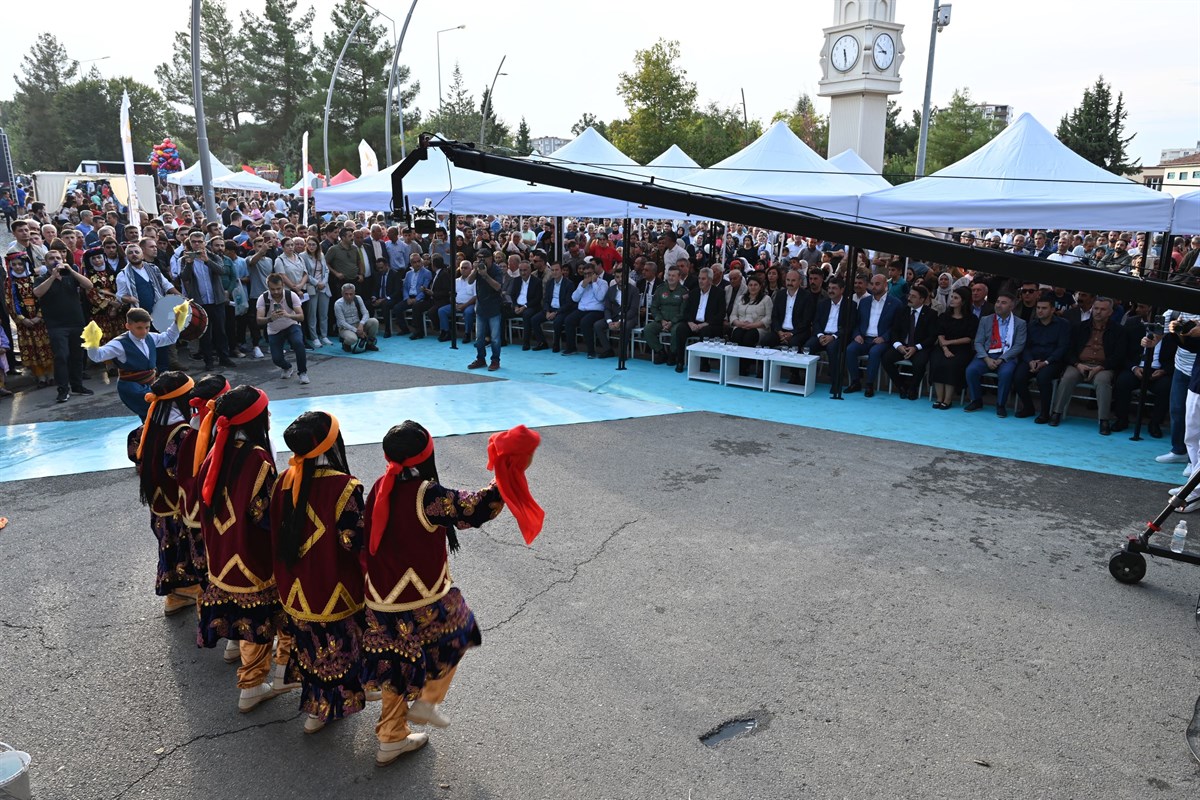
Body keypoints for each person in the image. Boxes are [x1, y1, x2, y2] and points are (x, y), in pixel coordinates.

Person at [360, 421, 534, 766]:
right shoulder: (427, 494)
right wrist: (505, 473)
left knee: (395, 663)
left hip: (379, 596)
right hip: (419, 596)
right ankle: (428, 700)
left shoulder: (382, 485)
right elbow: (474, 508)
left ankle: (390, 737)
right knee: (462, 629)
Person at [195, 385, 294, 713]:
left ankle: (233, 648)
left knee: (235, 607)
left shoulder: (215, 450)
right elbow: (265, 515)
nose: (269, 417)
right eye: (266, 412)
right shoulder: (258, 460)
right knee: (261, 617)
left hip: (222, 554)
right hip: (250, 555)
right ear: (255, 420)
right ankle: (252, 684)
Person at [271, 411, 367, 735]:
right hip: (334, 586)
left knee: (310, 649)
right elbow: (352, 540)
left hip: (296, 588)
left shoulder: (284, 480)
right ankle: (329, 709)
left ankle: (315, 708)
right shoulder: (345, 486)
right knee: (339, 650)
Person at [134, 371, 206, 615]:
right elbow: (181, 469)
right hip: (178, 503)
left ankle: (174, 595)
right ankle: (191, 590)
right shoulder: (181, 431)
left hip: (158, 501)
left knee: (167, 544)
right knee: (184, 546)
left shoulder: (149, 425)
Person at [1049, 296, 1127, 433]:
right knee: (1067, 378)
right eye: (1096, 308)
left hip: (1103, 366)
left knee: (1103, 381)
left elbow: (1119, 355)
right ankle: (1056, 413)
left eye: (1102, 309)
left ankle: (1103, 420)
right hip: (1079, 364)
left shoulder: (1118, 331)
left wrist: (1101, 367)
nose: (1098, 312)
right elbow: (1069, 350)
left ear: (1110, 312)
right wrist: (1077, 364)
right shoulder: (1080, 327)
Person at [33, 248, 96, 403]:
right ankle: (63, 389)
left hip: (76, 321)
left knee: (77, 355)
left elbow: (89, 285)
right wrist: (53, 277)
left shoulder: (70, 275)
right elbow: (37, 293)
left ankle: (77, 385)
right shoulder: (42, 278)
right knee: (61, 356)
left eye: (58, 257)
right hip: (56, 325)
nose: (55, 260)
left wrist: (71, 271)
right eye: (51, 258)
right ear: (45, 262)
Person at [6, 226, 55, 387]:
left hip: (39, 320)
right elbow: (10, 303)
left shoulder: (35, 280)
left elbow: (43, 299)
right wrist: (21, 319)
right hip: (25, 324)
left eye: (20, 264)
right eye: (15, 265)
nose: (18, 267)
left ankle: (51, 374)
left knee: (46, 347)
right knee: (32, 349)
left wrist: (38, 316)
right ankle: (40, 376)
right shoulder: (10, 284)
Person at [964, 291, 1027, 416]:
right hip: (986, 355)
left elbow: (1019, 345)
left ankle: (1000, 404)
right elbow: (978, 342)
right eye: (997, 302)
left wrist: (1002, 359)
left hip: (1007, 356)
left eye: (1003, 303)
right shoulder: (986, 320)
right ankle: (976, 400)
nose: (998, 305)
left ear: (1011, 306)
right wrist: (986, 359)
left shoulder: (1020, 323)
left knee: (1006, 373)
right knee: (971, 370)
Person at [1012, 294, 1071, 422]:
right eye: (1038, 307)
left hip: (1053, 361)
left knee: (1043, 378)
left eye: (1044, 308)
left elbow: (1062, 348)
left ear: (1052, 310)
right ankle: (1028, 408)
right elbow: (1025, 346)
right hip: (1033, 359)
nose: (1040, 310)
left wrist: (1046, 362)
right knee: (1018, 377)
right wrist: (1030, 361)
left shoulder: (1063, 325)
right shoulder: (1031, 325)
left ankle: (1045, 413)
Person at [845, 274, 902, 396]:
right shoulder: (864, 302)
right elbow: (857, 322)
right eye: (872, 284)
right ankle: (855, 382)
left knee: (875, 352)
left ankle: (869, 385)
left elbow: (895, 327)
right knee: (850, 349)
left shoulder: (895, 303)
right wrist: (857, 334)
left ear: (885, 285)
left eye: (877, 284)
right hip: (864, 338)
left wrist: (884, 337)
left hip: (882, 339)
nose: (874, 287)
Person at [1112, 327, 1175, 436]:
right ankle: (1121, 419)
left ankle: (1155, 424)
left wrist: (1164, 371)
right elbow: (1123, 353)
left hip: (1159, 370)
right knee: (1122, 382)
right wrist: (1134, 368)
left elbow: (1176, 359)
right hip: (1137, 367)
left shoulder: (1172, 333)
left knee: (1166, 387)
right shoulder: (1133, 327)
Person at [881, 285, 939, 400]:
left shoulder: (931, 314)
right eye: (909, 295)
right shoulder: (903, 310)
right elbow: (894, 331)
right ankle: (901, 386)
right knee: (886, 358)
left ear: (922, 300)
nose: (909, 298)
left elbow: (932, 337)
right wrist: (898, 345)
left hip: (919, 347)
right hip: (903, 345)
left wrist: (916, 348)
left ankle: (913, 388)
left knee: (920, 363)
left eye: (913, 296)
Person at [928, 287, 979, 409]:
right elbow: (940, 334)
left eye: (956, 298)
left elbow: (969, 338)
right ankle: (939, 398)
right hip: (943, 347)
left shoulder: (972, 319)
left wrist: (950, 342)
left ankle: (948, 399)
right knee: (937, 362)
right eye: (952, 297)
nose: (952, 300)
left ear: (964, 301)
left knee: (951, 365)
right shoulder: (944, 316)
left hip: (962, 348)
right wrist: (945, 348)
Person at [257, 274, 309, 384]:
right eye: (272, 289)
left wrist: (288, 315)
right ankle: (287, 367)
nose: (276, 292)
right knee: (276, 359)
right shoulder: (263, 298)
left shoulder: (291, 295)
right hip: (274, 330)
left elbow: (301, 316)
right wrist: (270, 318)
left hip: (291, 325)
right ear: (268, 287)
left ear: (283, 285)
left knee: (298, 343)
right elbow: (259, 320)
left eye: (278, 289)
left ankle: (302, 372)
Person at [804, 276, 851, 395]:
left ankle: (836, 383)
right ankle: (806, 380)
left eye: (834, 288)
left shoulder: (850, 305)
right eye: (829, 288)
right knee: (808, 346)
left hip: (838, 337)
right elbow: (816, 322)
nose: (830, 291)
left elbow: (849, 326)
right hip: (822, 335)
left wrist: (833, 336)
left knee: (832, 348)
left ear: (842, 290)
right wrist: (820, 335)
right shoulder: (823, 303)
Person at [672, 267, 726, 372]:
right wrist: (690, 322)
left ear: (710, 280)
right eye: (699, 278)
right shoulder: (694, 293)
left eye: (703, 279)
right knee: (680, 329)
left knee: (706, 331)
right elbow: (686, 311)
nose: (700, 281)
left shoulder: (719, 293)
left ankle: (704, 363)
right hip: (694, 322)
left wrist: (705, 324)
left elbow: (721, 314)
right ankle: (680, 361)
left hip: (709, 324)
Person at [643, 265, 689, 366]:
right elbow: (654, 307)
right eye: (669, 275)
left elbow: (683, 311)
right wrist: (661, 320)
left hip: (676, 322)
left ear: (679, 277)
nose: (671, 278)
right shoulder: (660, 289)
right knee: (647, 329)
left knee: (677, 331)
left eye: (673, 275)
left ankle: (672, 354)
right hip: (661, 321)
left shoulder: (684, 291)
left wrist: (672, 322)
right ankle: (661, 352)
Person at [467, 251, 505, 371]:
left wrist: (485, 275)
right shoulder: (478, 268)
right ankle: (481, 359)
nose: (482, 261)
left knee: (495, 338)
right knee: (479, 337)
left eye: (484, 259)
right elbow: (469, 281)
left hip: (494, 307)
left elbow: (498, 287)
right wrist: (475, 270)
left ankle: (495, 360)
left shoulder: (496, 270)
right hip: (480, 307)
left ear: (491, 259)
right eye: (480, 258)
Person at [561, 261, 607, 358]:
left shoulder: (603, 283)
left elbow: (600, 297)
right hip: (582, 309)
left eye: (589, 273)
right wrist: (582, 287)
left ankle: (591, 351)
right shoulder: (582, 283)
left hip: (596, 310)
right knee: (568, 320)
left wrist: (594, 283)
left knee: (585, 322)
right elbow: (574, 298)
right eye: (585, 274)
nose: (587, 276)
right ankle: (571, 348)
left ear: (595, 273)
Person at [595, 266, 638, 360]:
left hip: (629, 317)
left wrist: (620, 321)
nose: (620, 279)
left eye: (622, 276)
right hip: (614, 316)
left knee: (625, 326)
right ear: (614, 278)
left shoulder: (633, 290)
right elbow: (607, 308)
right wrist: (609, 321)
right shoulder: (611, 290)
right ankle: (608, 350)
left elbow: (633, 310)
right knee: (597, 325)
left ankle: (622, 352)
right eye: (617, 277)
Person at [529, 262, 573, 352]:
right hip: (550, 309)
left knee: (557, 322)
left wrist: (556, 313)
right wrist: (547, 311)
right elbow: (546, 300)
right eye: (552, 270)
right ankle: (542, 342)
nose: (554, 272)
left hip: (561, 310)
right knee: (534, 319)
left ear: (561, 271)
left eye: (557, 270)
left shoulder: (569, 284)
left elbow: (569, 303)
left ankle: (556, 344)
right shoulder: (549, 283)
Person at [302, 237, 332, 347]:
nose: (311, 246)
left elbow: (326, 270)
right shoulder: (302, 256)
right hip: (312, 287)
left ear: (317, 245)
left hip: (324, 287)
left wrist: (323, 282)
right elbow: (305, 273)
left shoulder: (321, 255)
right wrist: (316, 283)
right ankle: (314, 337)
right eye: (309, 244)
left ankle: (324, 336)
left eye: (314, 244)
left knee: (324, 314)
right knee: (312, 314)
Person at [438, 260, 477, 343]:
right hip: (456, 304)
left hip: (469, 304)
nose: (463, 269)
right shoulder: (456, 281)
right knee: (442, 311)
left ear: (471, 269)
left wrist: (464, 305)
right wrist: (454, 304)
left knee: (468, 312)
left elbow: (475, 297)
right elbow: (452, 294)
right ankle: (446, 332)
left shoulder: (474, 281)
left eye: (465, 268)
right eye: (461, 268)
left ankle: (467, 334)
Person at [334, 283, 379, 353]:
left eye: (351, 294)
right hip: (345, 328)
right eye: (346, 294)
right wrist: (357, 331)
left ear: (354, 293)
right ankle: (345, 343)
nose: (349, 296)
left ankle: (370, 344)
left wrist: (361, 324)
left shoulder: (358, 298)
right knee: (352, 339)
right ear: (342, 293)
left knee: (374, 321)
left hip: (358, 324)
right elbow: (342, 322)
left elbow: (366, 313)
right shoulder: (338, 304)